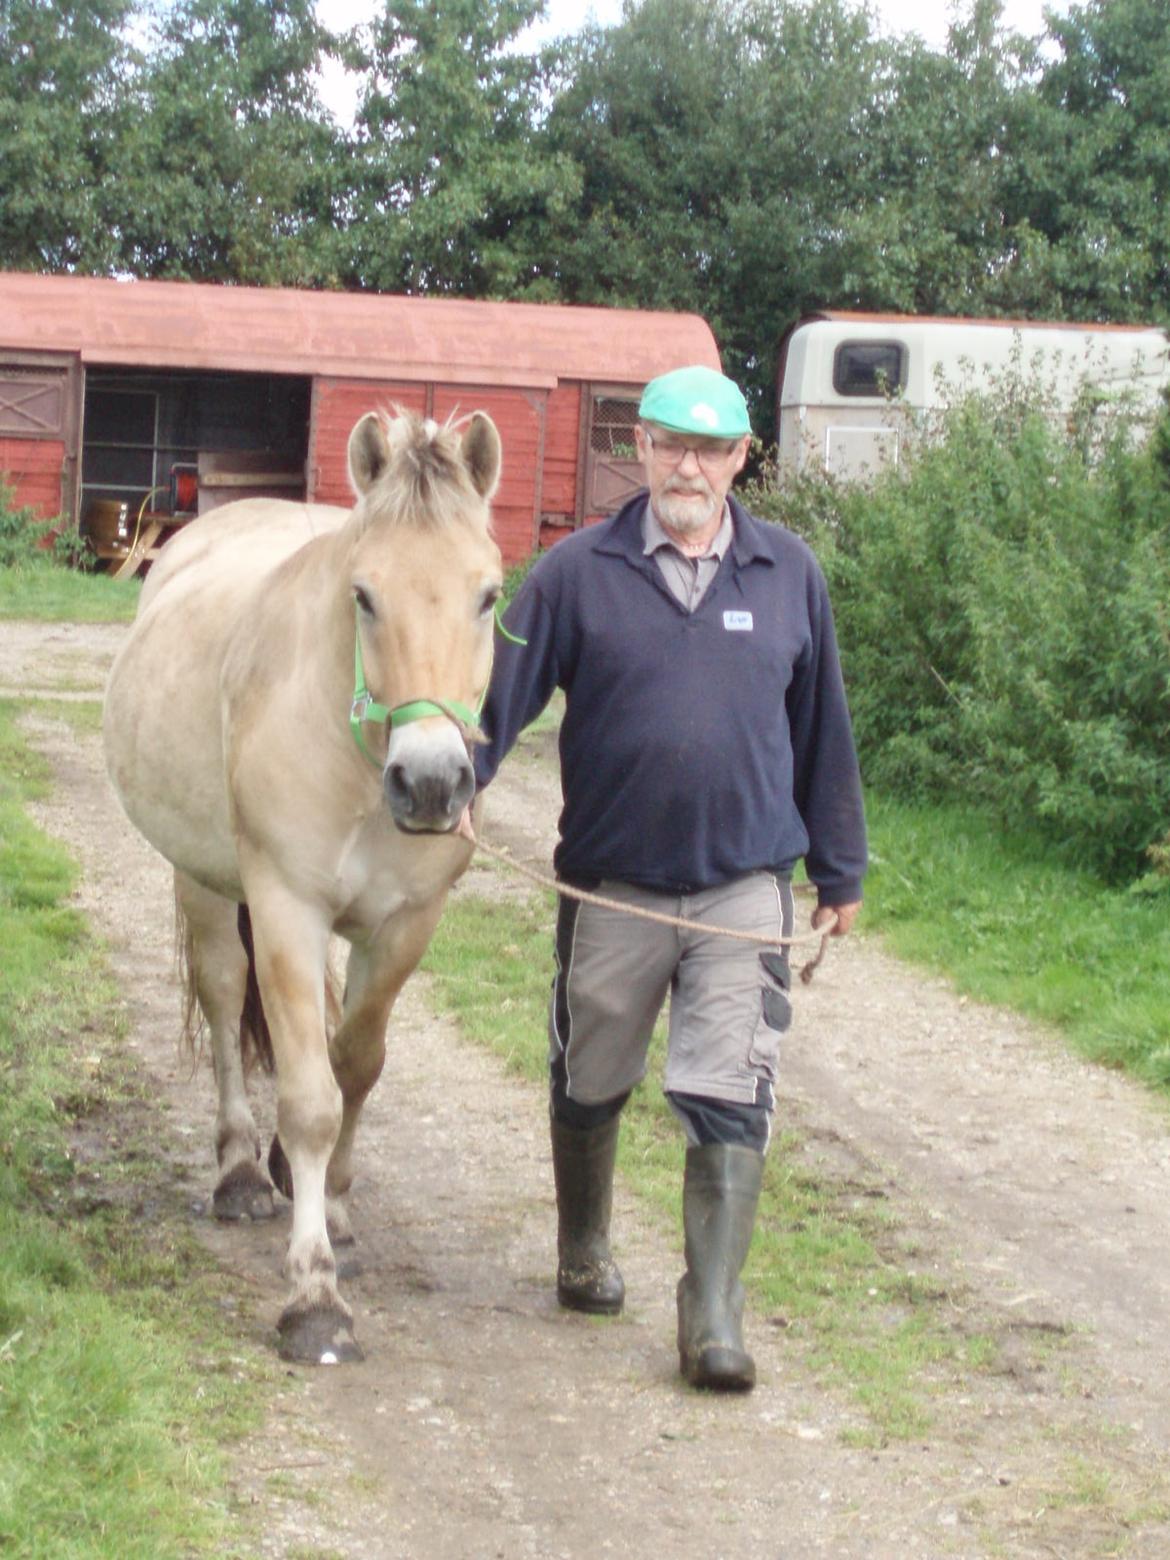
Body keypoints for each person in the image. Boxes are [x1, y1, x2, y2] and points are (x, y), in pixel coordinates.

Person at [471, 364, 866, 1392]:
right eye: (667, 443)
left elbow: (824, 733)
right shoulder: (573, 572)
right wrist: (459, 781)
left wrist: (841, 867)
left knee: (733, 1090)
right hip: (615, 883)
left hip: (744, 884)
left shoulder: (790, 575)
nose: (688, 465)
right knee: (589, 1073)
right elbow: (499, 697)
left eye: (711, 448)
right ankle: (585, 1245)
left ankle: (713, 1315)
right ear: (638, 449)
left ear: (743, 459)